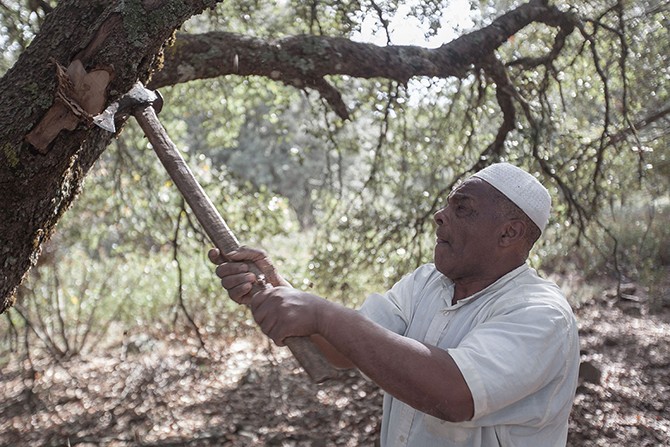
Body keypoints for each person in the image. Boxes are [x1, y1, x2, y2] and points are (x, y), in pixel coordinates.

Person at [208, 162, 580, 447]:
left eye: (462, 208)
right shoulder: (426, 284)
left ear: (509, 232)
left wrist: (320, 311)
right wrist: (274, 289)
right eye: (447, 205)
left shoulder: (541, 313)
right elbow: (342, 352)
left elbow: (455, 396)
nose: (440, 216)